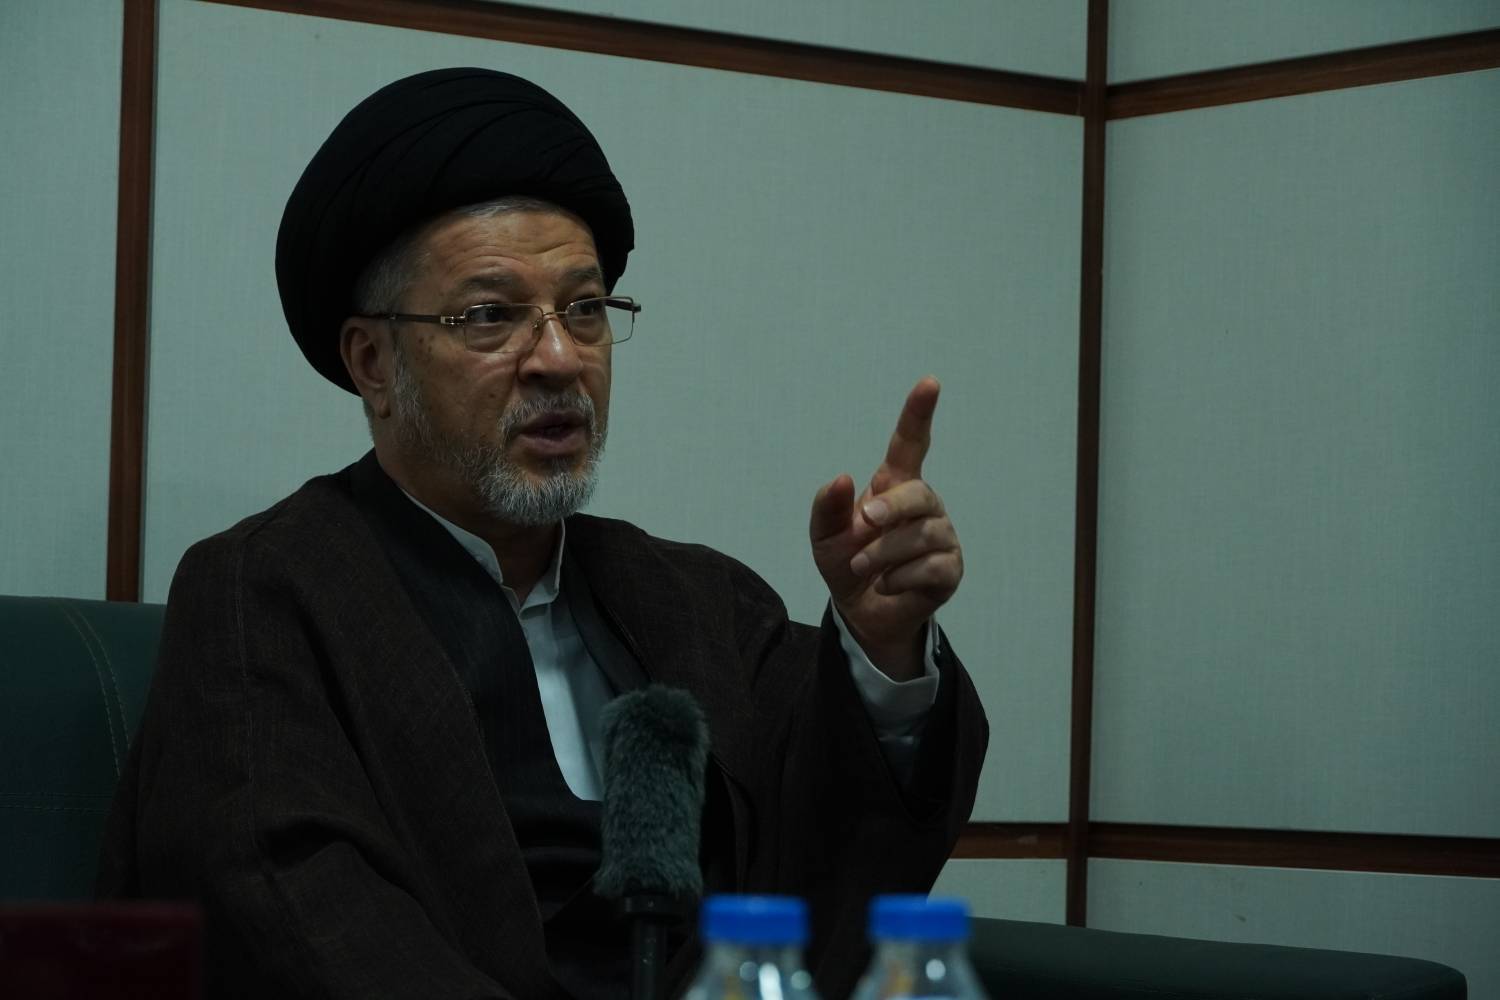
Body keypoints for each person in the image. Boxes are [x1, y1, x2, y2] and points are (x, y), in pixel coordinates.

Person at [97, 68, 987, 1000]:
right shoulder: (265, 593)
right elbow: (292, 914)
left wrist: (881, 649)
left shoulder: (696, 600)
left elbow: (827, 861)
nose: (560, 359)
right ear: (373, 362)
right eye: (491, 315)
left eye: (586, 310)